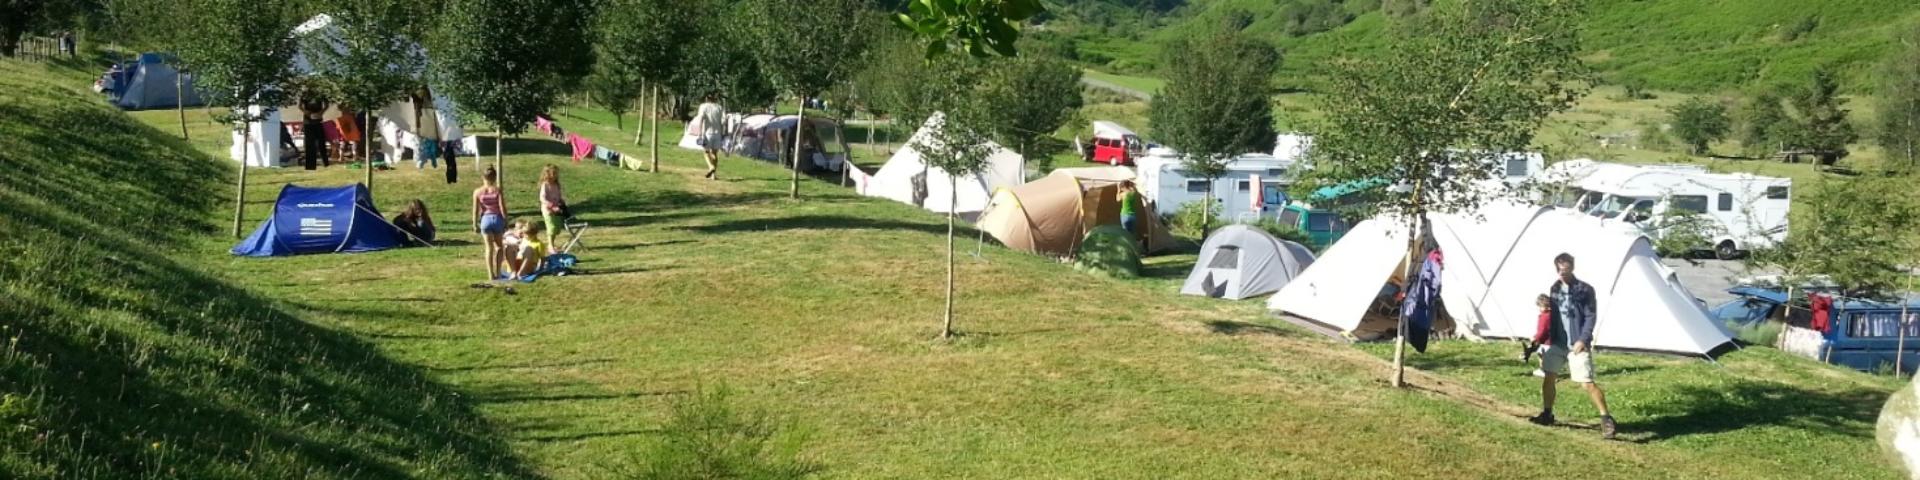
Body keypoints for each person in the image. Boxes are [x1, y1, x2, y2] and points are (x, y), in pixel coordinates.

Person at [1531, 253, 1617, 440]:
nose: (1563, 273)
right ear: (1556, 269)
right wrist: (1543, 338)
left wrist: (1583, 339)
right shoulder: (1555, 288)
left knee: (1586, 383)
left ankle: (1606, 419)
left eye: (1567, 270)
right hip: (1558, 344)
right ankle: (1547, 413)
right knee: (1548, 376)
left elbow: (1590, 317)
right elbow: (1553, 318)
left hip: (1577, 344)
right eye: (1560, 270)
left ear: (1572, 268)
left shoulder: (1584, 290)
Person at [472, 167, 508, 281]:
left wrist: (474, 223)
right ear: (495, 177)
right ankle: (498, 272)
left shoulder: (477, 192)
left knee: (489, 248)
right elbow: (502, 207)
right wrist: (505, 220)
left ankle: (490, 274)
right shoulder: (497, 190)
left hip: (485, 220)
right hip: (497, 218)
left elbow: (476, 209)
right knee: (499, 247)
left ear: (483, 177)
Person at [696, 94, 727, 179]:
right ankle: (714, 175)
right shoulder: (719, 107)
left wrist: (699, 132)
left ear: (706, 98)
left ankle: (711, 167)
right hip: (718, 133)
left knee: (706, 152)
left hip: (707, 133)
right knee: (715, 153)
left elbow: (701, 119)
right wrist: (724, 132)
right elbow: (724, 121)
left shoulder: (703, 106)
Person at [538, 164, 569, 247]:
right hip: (548, 210)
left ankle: (552, 243)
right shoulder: (545, 185)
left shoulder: (556, 185)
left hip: (557, 209)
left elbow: (558, 195)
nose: (556, 175)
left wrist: (561, 201)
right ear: (548, 174)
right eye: (554, 173)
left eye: (556, 174)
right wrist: (550, 205)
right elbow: (542, 198)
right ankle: (550, 245)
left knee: (556, 228)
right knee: (551, 227)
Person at [299, 91, 330, 170]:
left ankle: (325, 163)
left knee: (321, 142)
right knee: (309, 144)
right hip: (307, 122)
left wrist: (321, 112)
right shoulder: (305, 94)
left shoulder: (321, 93)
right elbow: (300, 106)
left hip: (318, 120)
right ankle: (310, 165)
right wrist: (305, 111)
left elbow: (326, 105)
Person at [414, 88, 441, 169]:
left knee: (429, 146)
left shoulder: (426, 104)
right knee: (426, 147)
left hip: (428, 124)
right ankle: (428, 160)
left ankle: (431, 160)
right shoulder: (418, 105)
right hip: (425, 126)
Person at [1521, 294, 1552, 364]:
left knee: (1542, 356)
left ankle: (1544, 370)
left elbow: (1542, 331)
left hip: (1546, 342)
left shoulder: (1544, 317)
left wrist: (1535, 338)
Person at [1119, 180, 1143, 247]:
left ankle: (1126, 247)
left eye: (1121, 188)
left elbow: (1117, 199)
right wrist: (1132, 185)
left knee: (1125, 233)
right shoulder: (1133, 193)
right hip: (1133, 216)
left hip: (1125, 215)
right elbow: (1136, 190)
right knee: (1132, 234)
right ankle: (1134, 247)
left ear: (1123, 187)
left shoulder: (1123, 194)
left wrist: (1117, 190)